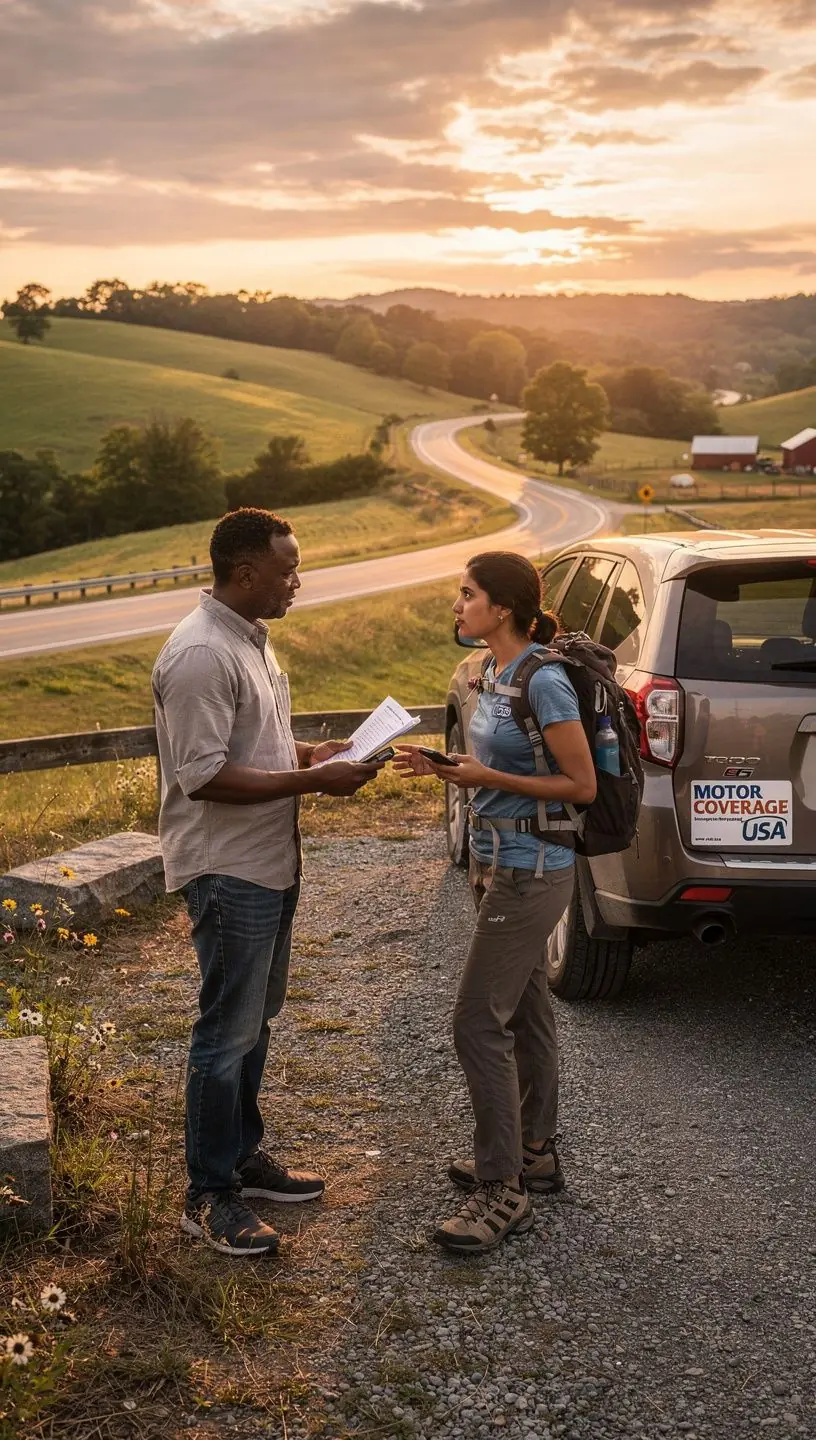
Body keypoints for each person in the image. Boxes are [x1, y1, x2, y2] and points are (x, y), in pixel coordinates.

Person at [152, 507, 382, 1257]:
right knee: (223, 1036)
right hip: (228, 869)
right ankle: (208, 1195)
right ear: (245, 573)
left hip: (269, 862)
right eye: (287, 570)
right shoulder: (198, 656)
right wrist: (316, 786)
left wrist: (314, 753)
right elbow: (204, 775)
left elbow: (255, 745)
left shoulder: (253, 642)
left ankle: (241, 1158)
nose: (297, 582)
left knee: (255, 1024)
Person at [395, 551, 596, 1254]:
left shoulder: (545, 680)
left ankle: (501, 1189)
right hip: (497, 861)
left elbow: (582, 785)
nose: (457, 605)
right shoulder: (493, 673)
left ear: (502, 608)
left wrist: (484, 773)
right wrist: (450, 768)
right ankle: (534, 1152)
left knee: (476, 1023)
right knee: (529, 1006)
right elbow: (503, 768)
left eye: (467, 594)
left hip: (535, 870)